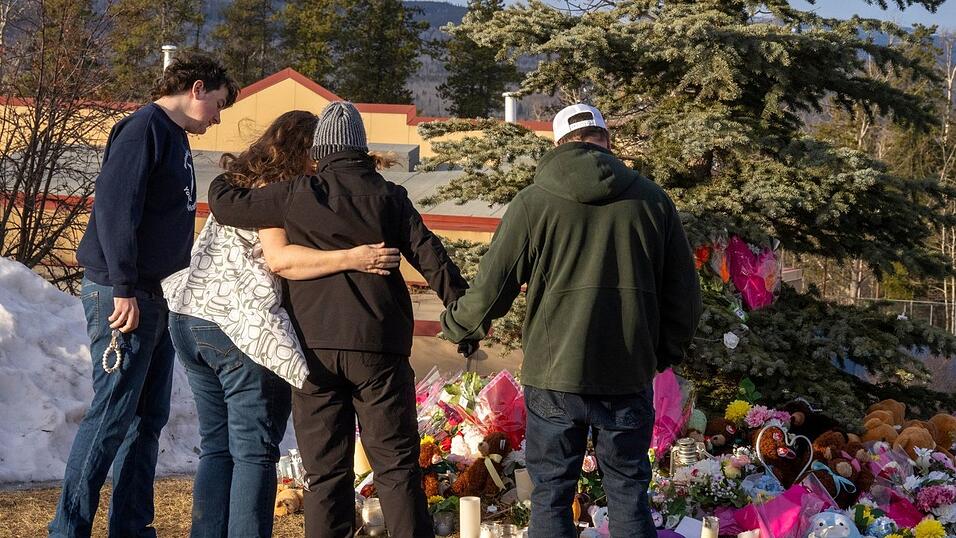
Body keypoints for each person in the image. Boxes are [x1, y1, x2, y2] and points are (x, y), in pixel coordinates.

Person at [208, 101, 469, 538]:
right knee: (396, 466)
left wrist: (237, 170)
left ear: (321, 149)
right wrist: (465, 316)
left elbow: (226, 205)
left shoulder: (294, 194)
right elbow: (433, 259)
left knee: (325, 471)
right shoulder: (390, 197)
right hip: (379, 349)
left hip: (314, 350)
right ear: (361, 148)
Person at [440, 103, 703, 537]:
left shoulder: (533, 203)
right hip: (626, 375)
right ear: (607, 142)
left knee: (551, 494)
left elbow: (491, 290)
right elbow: (685, 300)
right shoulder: (653, 201)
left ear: (558, 145)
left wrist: (459, 327)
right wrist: (659, 355)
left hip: (554, 376)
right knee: (627, 493)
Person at [161, 110, 402, 537]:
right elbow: (280, 259)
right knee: (254, 450)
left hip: (188, 315)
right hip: (240, 326)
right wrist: (354, 257)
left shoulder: (240, 184)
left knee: (217, 448)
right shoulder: (277, 192)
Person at [49, 52, 240, 538]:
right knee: (113, 412)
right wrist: (123, 288)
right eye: (217, 104)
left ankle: (132, 529)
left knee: (146, 418)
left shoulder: (174, 137)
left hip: (158, 295)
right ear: (196, 88)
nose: (217, 118)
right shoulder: (143, 129)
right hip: (123, 295)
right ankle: (67, 530)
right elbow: (116, 210)